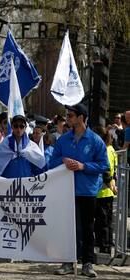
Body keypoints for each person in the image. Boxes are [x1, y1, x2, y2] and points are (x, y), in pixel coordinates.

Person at [50, 103, 109, 278]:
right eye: (68, 115)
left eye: (71, 115)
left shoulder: (96, 140)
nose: (68, 118)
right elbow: (52, 161)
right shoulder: (63, 139)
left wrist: (84, 166)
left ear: (81, 117)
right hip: (66, 191)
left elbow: (104, 165)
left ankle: (87, 263)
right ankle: (68, 261)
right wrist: (63, 161)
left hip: (87, 191)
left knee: (87, 228)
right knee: (68, 228)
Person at [92, 127, 117, 255]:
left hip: (101, 191)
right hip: (109, 191)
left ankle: (103, 247)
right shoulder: (112, 149)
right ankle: (106, 246)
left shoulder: (104, 150)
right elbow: (115, 169)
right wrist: (113, 183)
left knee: (102, 222)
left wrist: (109, 182)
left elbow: (106, 169)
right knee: (107, 221)